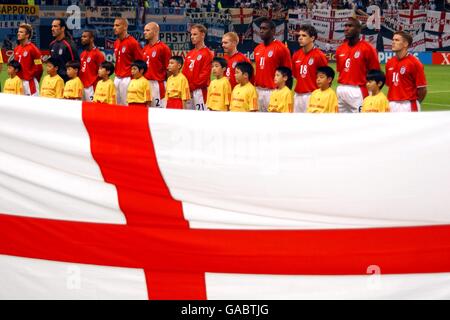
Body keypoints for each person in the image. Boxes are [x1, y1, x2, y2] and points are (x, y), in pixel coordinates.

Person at [335, 17, 380, 113]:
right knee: (340, 122)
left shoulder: (368, 48)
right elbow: (341, 70)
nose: (346, 28)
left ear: (359, 29)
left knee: (361, 122)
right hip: (341, 89)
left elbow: (375, 73)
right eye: (345, 26)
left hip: (359, 90)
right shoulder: (340, 49)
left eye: (350, 26)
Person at [254, 18, 292, 112]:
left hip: (273, 91)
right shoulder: (257, 49)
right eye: (260, 28)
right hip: (258, 90)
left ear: (273, 31)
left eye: (265, 28)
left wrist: (284, 93)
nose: (261, 31)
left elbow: (288, 73)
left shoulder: (281, 48)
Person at [385, 31, 427, 112]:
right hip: (392, 104)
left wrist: (416, 103)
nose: (393, 42)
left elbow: (422, 89)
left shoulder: (415, 63)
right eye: (393, 40)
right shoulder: (389, 63)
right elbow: (390, 85)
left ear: (405, 44)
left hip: (409, 105)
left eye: (397, 40)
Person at [291, 25, 328, 113]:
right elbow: (296, 75)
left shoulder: (319, 56)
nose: (300, 38)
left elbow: (325, 78)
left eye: (304, 36)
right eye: (299, 35)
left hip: (313, 95)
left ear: (312, 38)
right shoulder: (296, 55)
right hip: (298, 95)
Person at [182, 24, 214, 111]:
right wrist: (185, 87)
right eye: (191, 34)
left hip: (200, 92)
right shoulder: (190, 53)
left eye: (195, 34)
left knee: (201, 119)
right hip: (188, 91)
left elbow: (204, 75)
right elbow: (184, 73)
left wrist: (191, 87)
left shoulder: (208, 53)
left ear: (203, 35)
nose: (192, 37)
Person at [113, 18, 143, 105]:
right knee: (116, 105)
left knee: (127, 104)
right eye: (114, 25)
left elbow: (140, 62)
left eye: (117, 25)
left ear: (125, 27)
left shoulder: (133, 43)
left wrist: (136, 80)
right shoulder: (116, 42)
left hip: (127, 78)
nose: (114, 27)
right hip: (117, 78)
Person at [142, 22, 172, 108]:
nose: (145, 32)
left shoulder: (163, 48)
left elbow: (169, 69)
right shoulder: (145, 48)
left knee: (159, 111)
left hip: (158, 85)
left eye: (147, 30)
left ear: (155, 32)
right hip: (146, 84)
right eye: (144, 30)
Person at [13, 23, 43, 96]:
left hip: (29, 83)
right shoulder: (16, 49)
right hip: (18, 82)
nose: (18, 33)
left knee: (32, 105)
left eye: (21, 32)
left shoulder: (33, 49)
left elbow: (39, 68)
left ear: (27, 35)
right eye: (18, 31)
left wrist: (32, 78)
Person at [79, 30, 105, 102]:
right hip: (81, 86)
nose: (82, 38)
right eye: (82, 36)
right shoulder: (82, 53)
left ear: (91, 39)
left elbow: (103, 72)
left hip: (92, 87)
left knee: (92, 110)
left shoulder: (98, 54)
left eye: (85, 37)